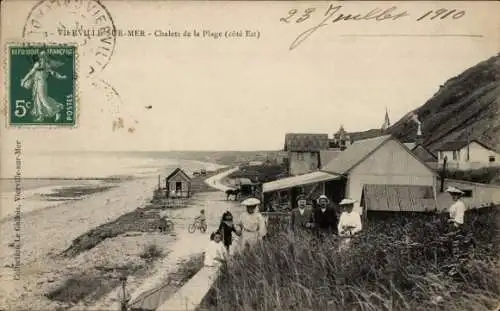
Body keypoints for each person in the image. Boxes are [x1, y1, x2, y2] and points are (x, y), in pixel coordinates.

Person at [21, 50, 67, 122]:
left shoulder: (46, 65)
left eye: (44, 56)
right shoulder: (37, 64)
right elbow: (30, 73)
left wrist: (61, 77)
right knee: (38, 99)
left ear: (46, 57)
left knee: (43, 99)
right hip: (37, 83)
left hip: (41, 83)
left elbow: (53, 73)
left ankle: (56, 112)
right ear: (39, 56)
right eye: (41, 56)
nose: (42, 57)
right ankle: (41, 116)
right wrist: (24, 80)